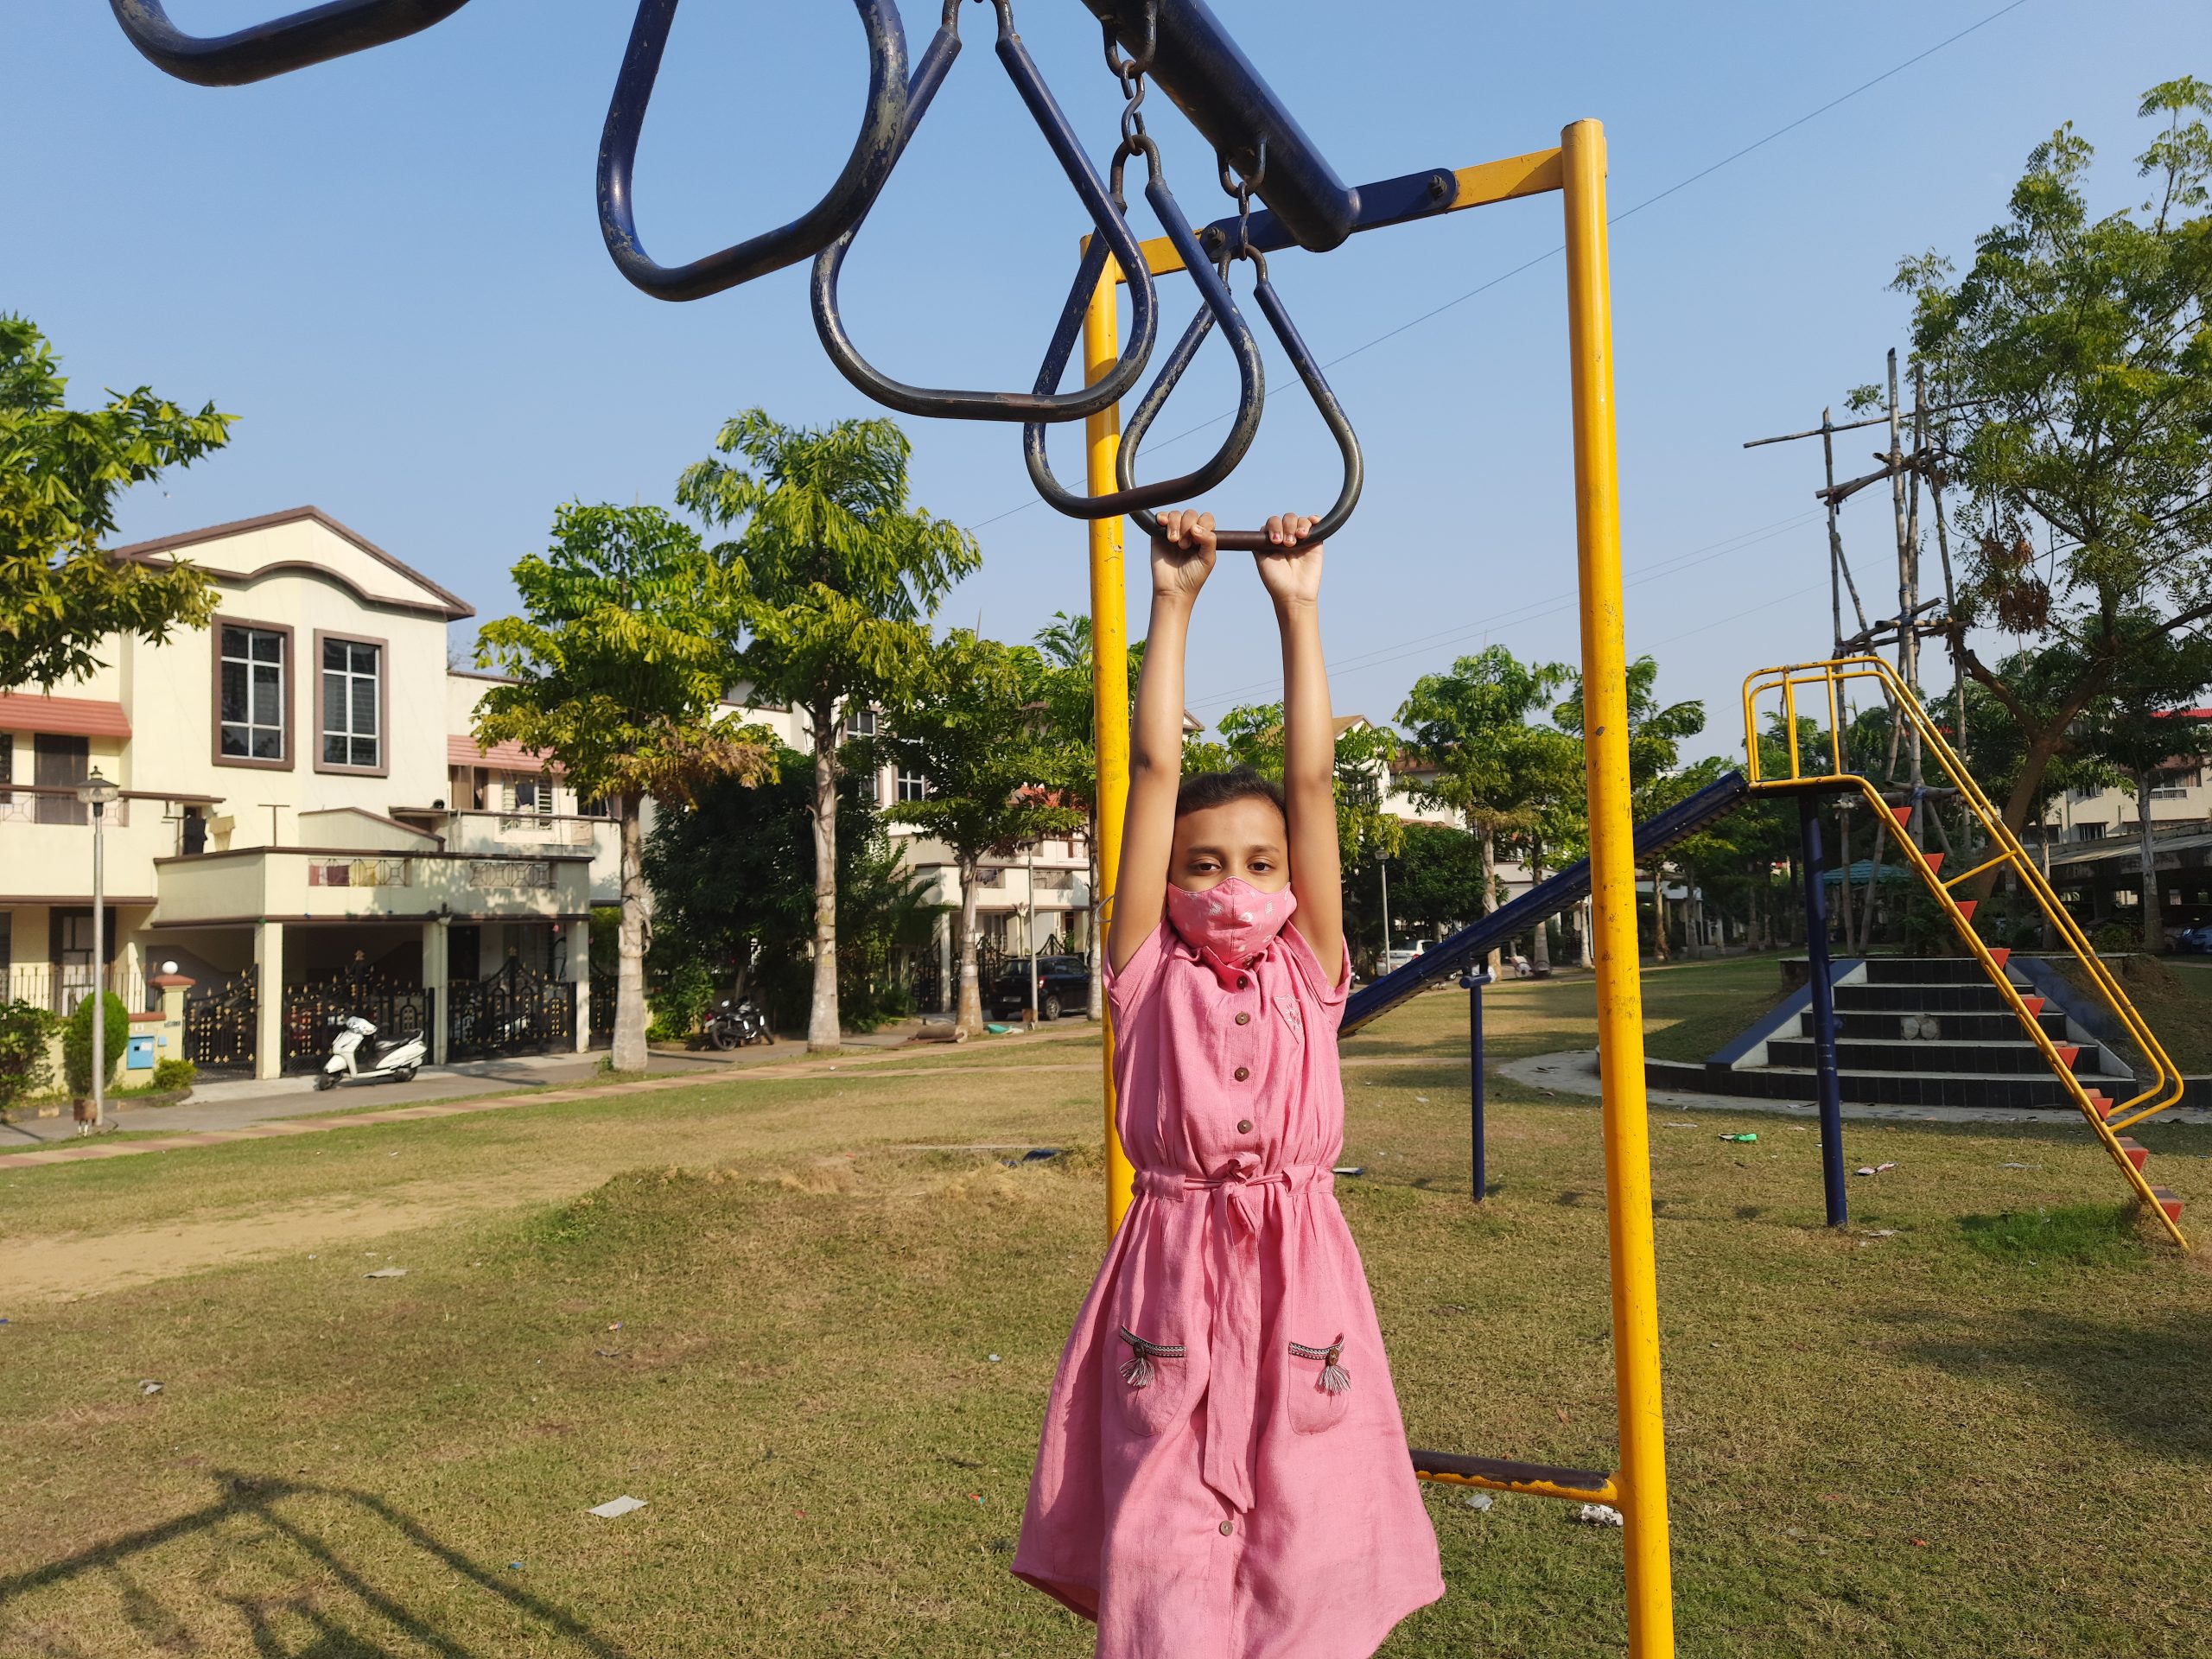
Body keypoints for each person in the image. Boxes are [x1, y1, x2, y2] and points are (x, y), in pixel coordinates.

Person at [1014, 510, 1443, 1656]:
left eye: (1259, 865)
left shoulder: (1312, 970)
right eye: (1201, 868)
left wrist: (1297, 606)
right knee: (1163, 1540)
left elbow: (1314, 782)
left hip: (1302, 1274)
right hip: (1170, 1270)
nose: (1233, 886)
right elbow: (1154, 770)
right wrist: (1175, 599)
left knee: (1304, 1531)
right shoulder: (1147, 973)